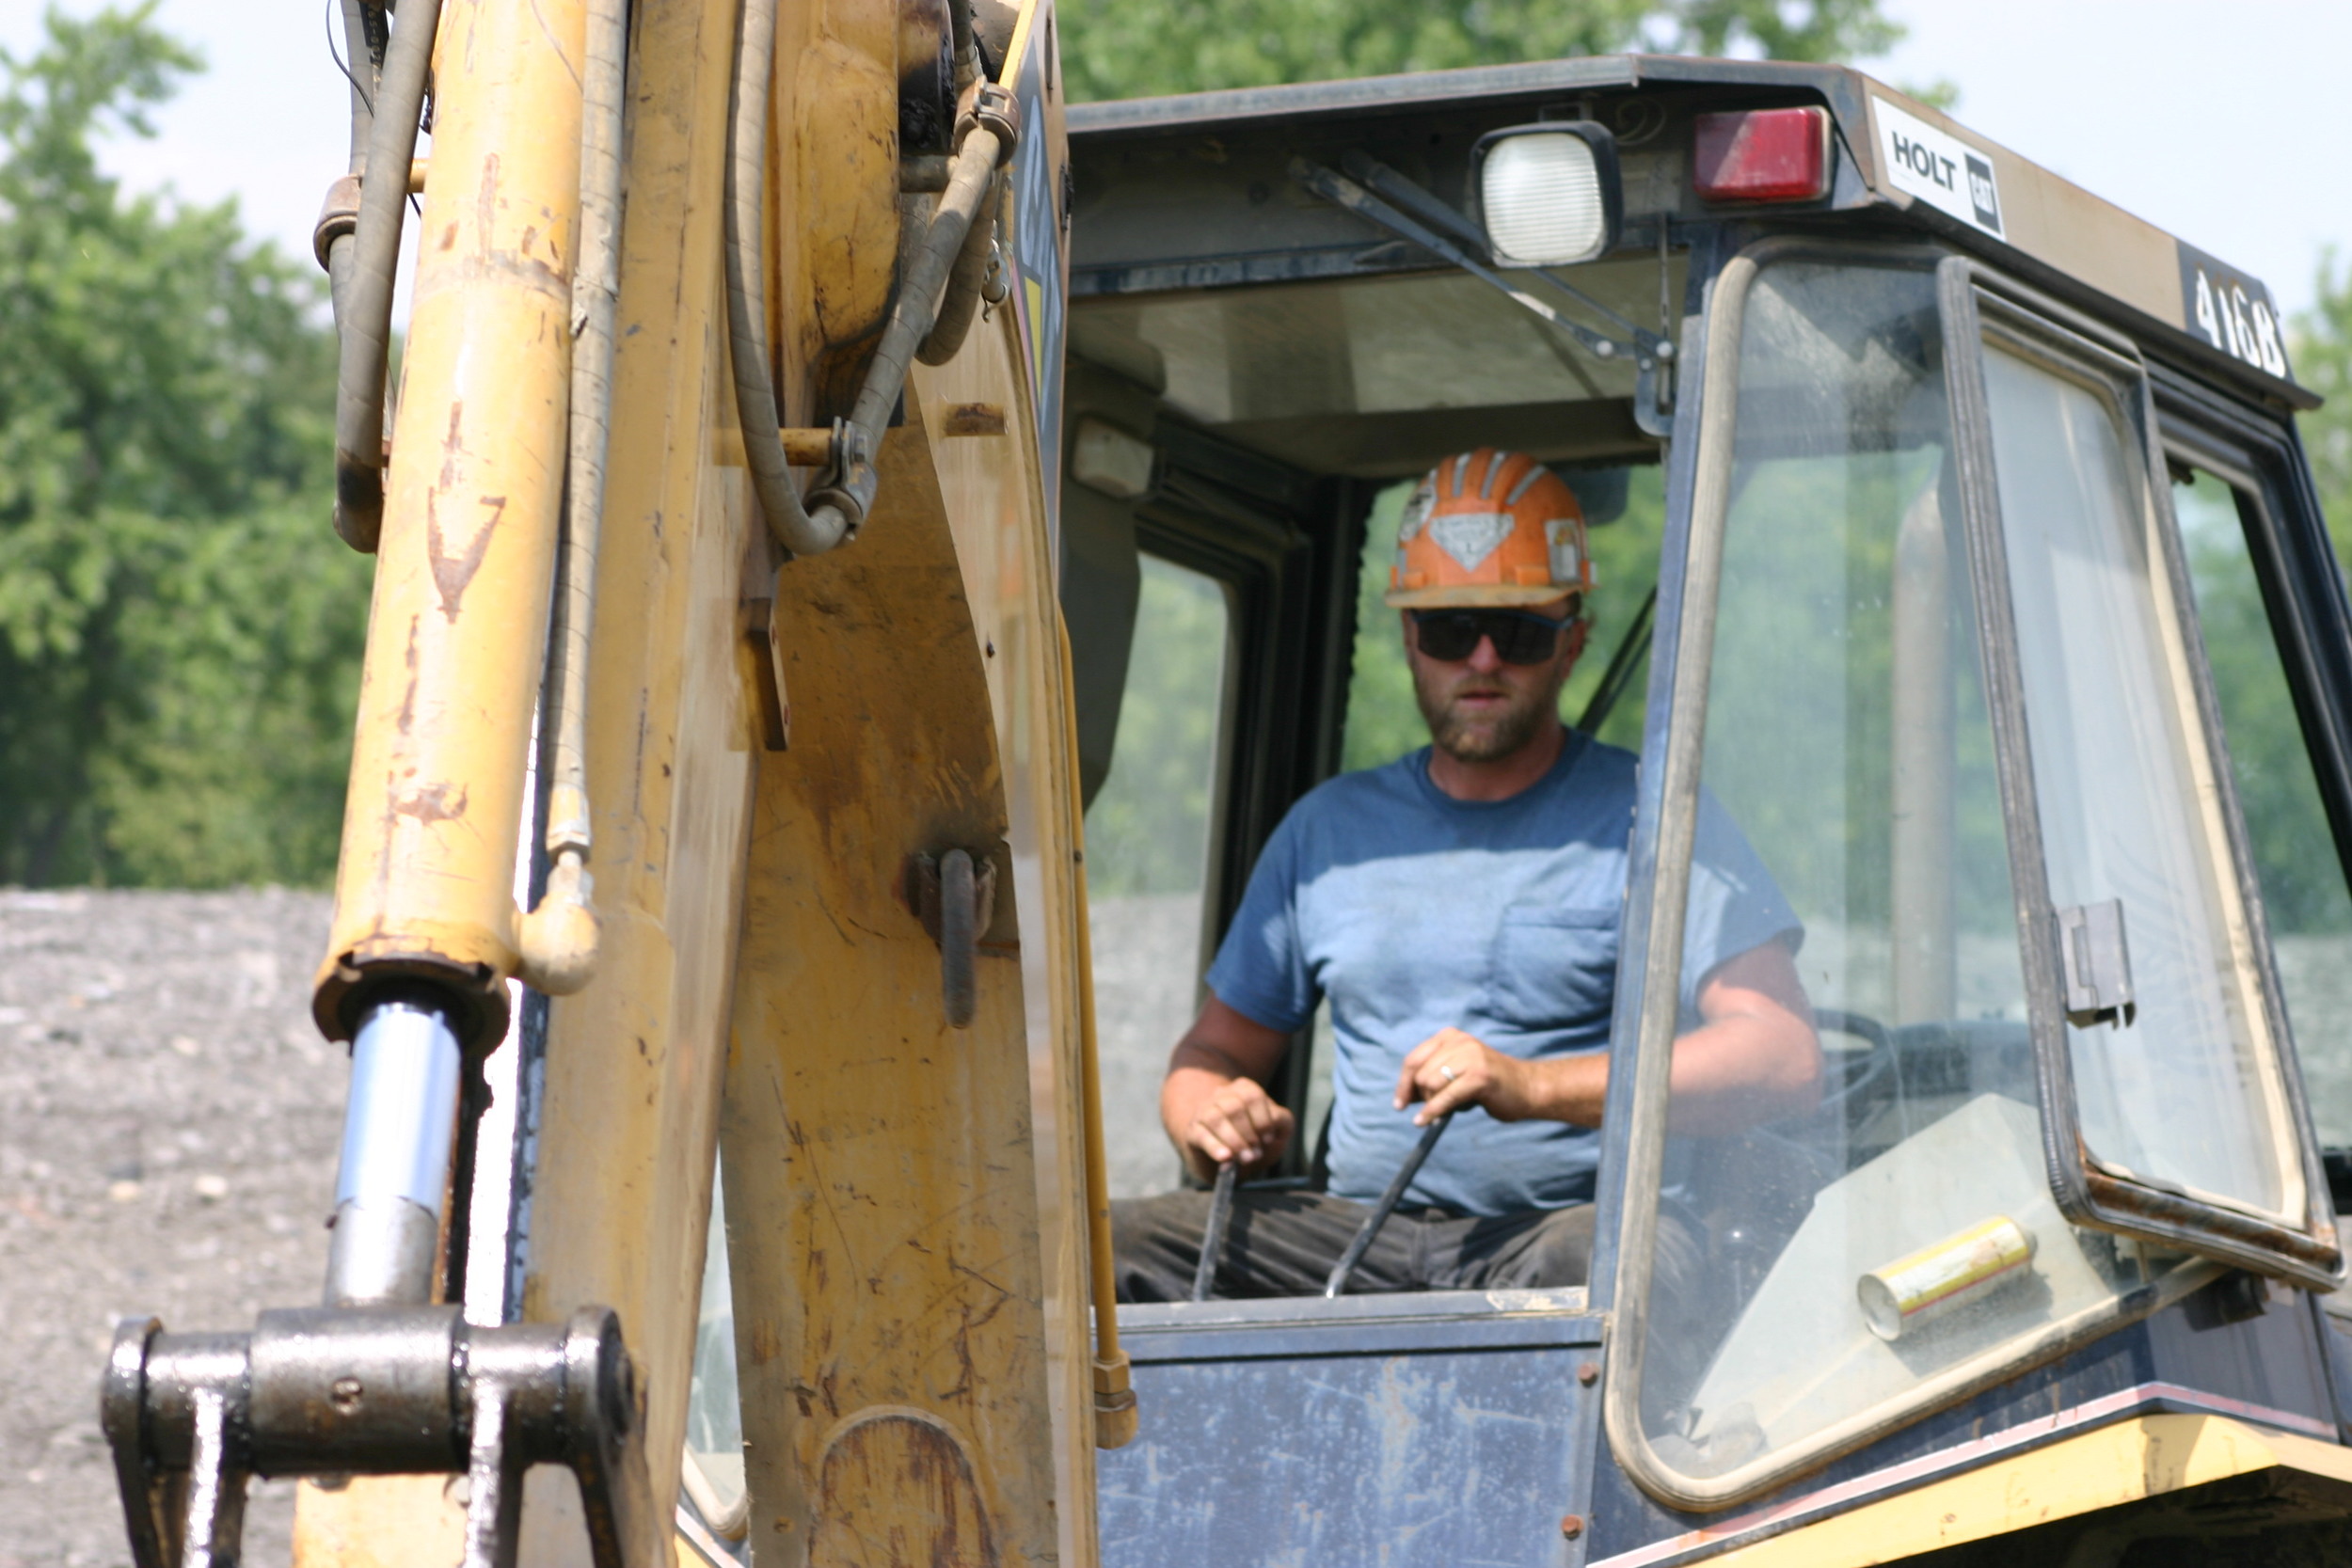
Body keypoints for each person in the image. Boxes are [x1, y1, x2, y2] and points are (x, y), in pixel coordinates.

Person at [1113, 447, 1820, 1303]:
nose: (1483, 659)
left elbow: (1781, 1055)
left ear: (1573, 642)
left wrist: (1532, 1085)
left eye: (1519, 631)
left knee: (1605, 1275)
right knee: (1108, 1249)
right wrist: (1208, 1116)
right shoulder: (1328, 831)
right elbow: (1215, 1050)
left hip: (1568, 1224)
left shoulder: (1659, 819)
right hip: (1354, 1230)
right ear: (1412, 638)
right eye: (1452, 629)